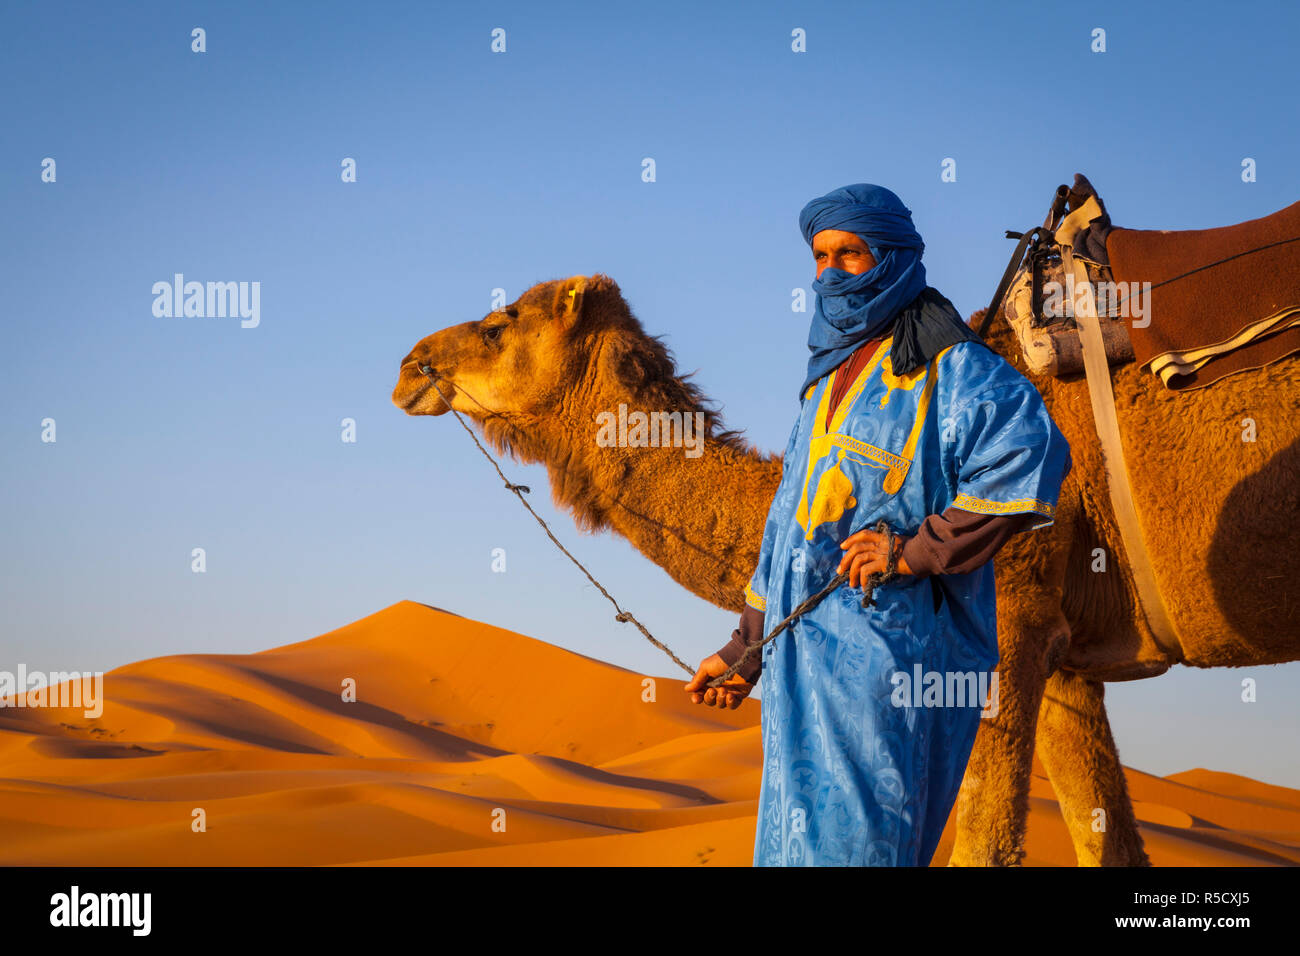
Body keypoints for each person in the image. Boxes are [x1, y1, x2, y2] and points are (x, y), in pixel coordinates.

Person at [683, 183, 1072, 866]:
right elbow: (787, 529)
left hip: (889, 657)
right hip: (800, 664)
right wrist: (746, 652)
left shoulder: (954, 368)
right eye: (820, 255)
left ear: (890, 257)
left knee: (861, 847)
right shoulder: (824, 382)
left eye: (850, 254)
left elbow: (1029, 451)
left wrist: (917, 550)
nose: (830, 271)